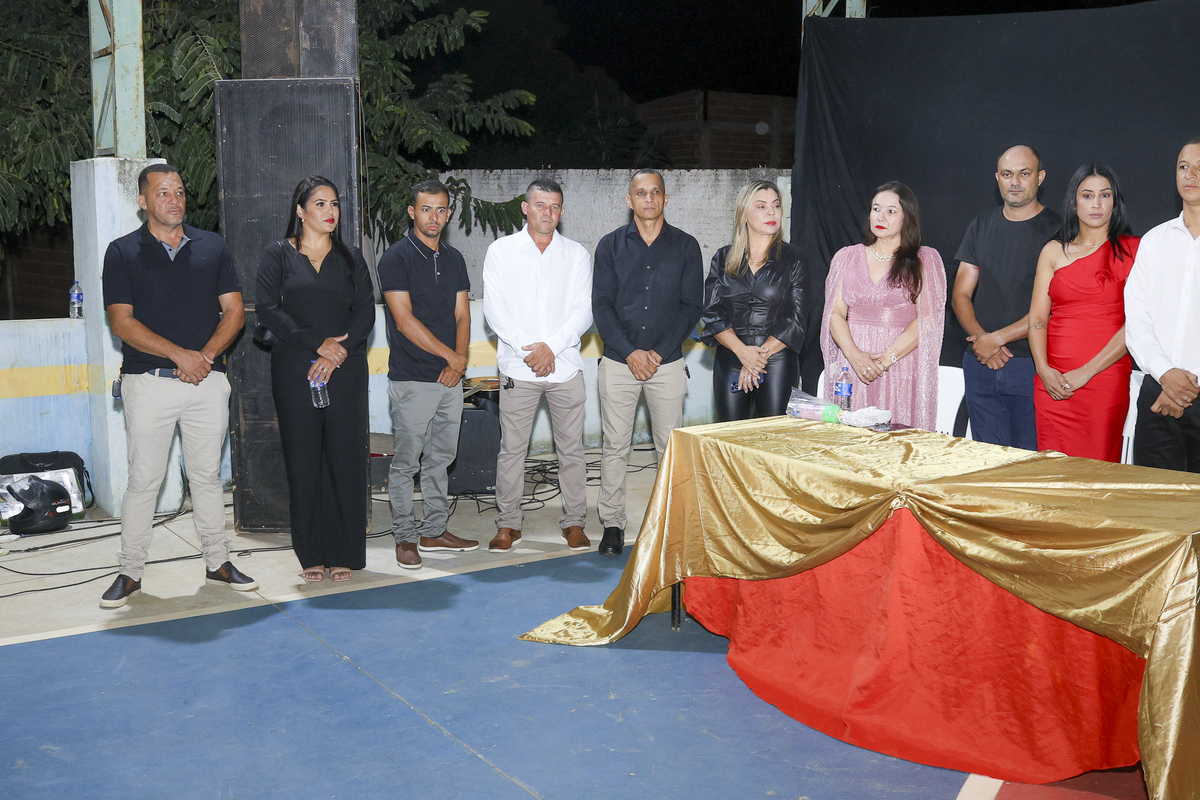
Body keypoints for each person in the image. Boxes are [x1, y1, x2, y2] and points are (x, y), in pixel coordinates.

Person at [100, 163, 254, 608]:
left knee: (207, 477)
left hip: (207, 382)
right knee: (144, 481)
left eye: (180, 192)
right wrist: (179, 356)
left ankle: (218, 562)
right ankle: (130, 572)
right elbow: (121, 322)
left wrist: (203, 358)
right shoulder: (122, 252)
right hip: (149, 383)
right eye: (163, 192)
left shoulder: (212, 246)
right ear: (142, 201)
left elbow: (235, 312)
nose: (175, 200)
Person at [255, 176, 374, 582]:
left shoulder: (351, 257)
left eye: (334, 203)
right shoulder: (277, 254)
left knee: (345, 459)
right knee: (304, 461)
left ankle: (343, 552)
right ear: (300, 211)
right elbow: (268, 309)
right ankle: (311, 553)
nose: (330, 211)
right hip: (295, 369)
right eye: (320, 204)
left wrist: (337, 353)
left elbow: (365, 314)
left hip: (346, 369)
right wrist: (317, 344)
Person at [592, 169, 704, 556]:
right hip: (618, 362)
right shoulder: (609, 246)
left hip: (667, 363)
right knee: (614, 446)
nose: (649, 198)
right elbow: (601, 306)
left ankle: (668, 523)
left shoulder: (686, 246)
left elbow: (691, 307)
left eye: (656, 192)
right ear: (630, 200)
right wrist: (630, 352)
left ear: (665, 199)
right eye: (641, 193)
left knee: (669, 448)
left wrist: (656, 353)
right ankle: (612, 524)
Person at [482, 178, 593, 553]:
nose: (548, 212)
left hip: (566, 367)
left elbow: (584, 310)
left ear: (562, 211)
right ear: (525, 208)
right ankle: (508, 524)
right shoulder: (501, 251)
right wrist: (528, 350)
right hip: (518, 367)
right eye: (541, 205)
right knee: (512, 450)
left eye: (555, 206)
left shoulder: (576, 254)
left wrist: (552, 348)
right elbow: (494, 308)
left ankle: (574, 521)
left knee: (572, 451)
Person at [377, 179, 478, 570]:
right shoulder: (396, 258)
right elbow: (404, 321)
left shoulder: (454, 258)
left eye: (440, 210)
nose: (433, 217)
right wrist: (451, 357)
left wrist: (459, 360)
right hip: (412, 379)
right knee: (407, 463)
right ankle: (405, 537)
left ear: (448, 214)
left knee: (441, 459)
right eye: (425, 209)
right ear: (412, 212)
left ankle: (434, 530)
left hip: (450, 379)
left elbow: (462, 315)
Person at [1028, 163, 1139, 462]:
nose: (1096, 204)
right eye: (1087, 196)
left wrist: (1087, 372)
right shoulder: (1053, 251)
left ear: (1115, 202)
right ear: (1074, 202)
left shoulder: (1135, 251)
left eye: (1105, 195)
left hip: (1104, 380)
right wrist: (1043, 369)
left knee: (1096, 473)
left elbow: (1138, 324)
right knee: (1052, 473)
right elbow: (1037, 318)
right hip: (1052, 382)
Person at [953, 146, 1061, 449]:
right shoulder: (980, 225)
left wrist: (997, 339)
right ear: (997, 178)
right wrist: (982, 340)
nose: (1015, 181)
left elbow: (1056, 304)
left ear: (1040, 177)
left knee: (1029, 461)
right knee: (986, 460)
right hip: (980, 362)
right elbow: (961, 293)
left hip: (1033, 363)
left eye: (1024, 173)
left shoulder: (1060, 229)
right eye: (1007, 174)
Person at [819, 181, 946, 430]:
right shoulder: (846, 257)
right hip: (852, 365)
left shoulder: (925, 259)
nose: (881, 217)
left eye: (891, 211)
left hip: (899, 365)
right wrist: (855, 356)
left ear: (907, 217)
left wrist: (885, 361)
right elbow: (835, 313)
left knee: (896, 442)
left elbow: (928, 319)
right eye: (876, 209)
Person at [701, 178, 807, 422]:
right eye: (761, 206)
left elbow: (796, 318)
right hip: (731, 357)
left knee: (772, 435)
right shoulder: (723, 257)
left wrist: (756, 359)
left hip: (777, 358)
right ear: (744, 214)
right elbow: (713, 313)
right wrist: (742, 353)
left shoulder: (794, 259)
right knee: (731, 435)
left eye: (776, 205)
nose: (771, 212)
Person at [1124, 138, 1200, 471]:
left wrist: (1185, 387)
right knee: (1153, 498)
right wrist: (1165, 374)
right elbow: (1136, 315)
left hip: (1183, 390)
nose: (1190, 175)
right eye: (1183, 167)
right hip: (1156, 393)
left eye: (1199, 167)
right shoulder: (1154, 240)